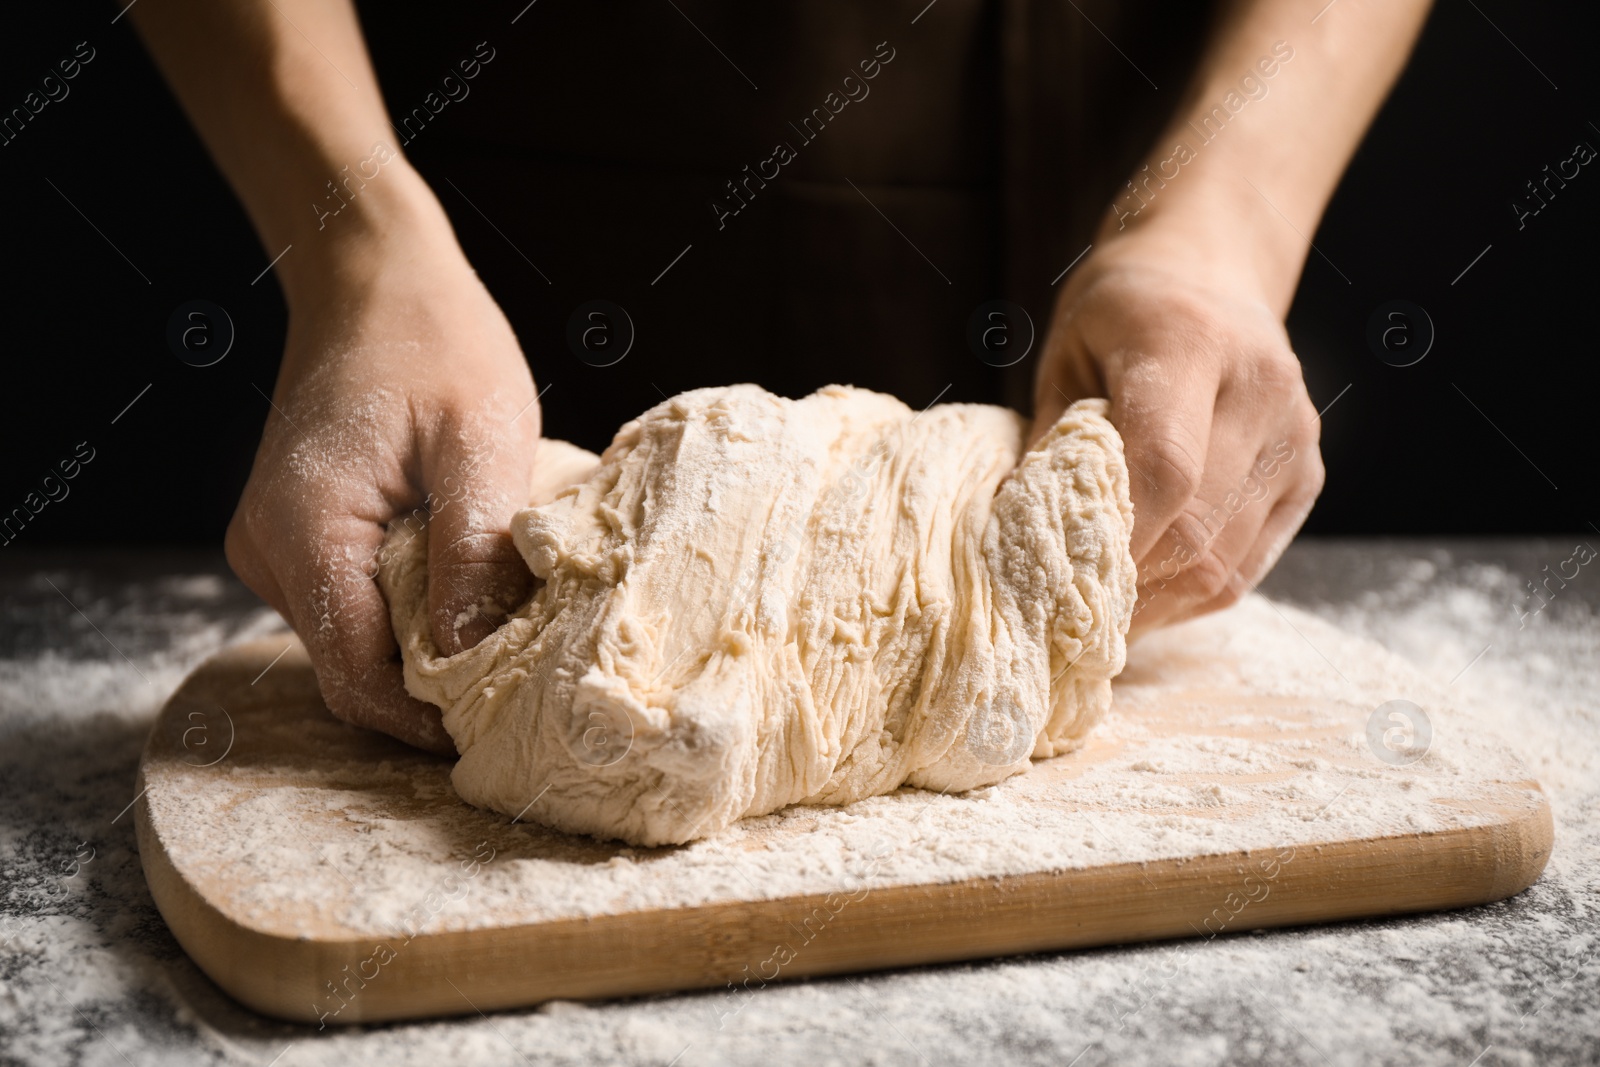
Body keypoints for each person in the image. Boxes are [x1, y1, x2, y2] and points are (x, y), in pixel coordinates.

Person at [129, 0, 1431, 754]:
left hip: (1136, 143)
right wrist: (354, 237)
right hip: (552, 209)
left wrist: (1228, 217)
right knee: (500, 588)